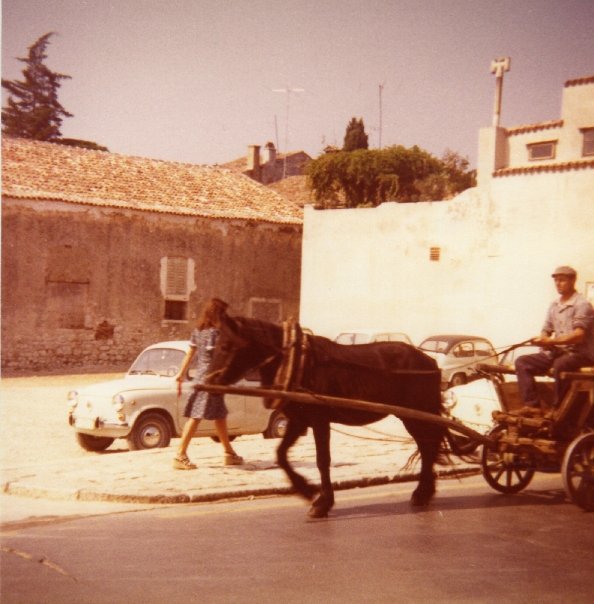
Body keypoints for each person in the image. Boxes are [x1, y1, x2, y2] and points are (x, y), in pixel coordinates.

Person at [173, 298, 243, 470]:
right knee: (196, 417)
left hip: (204, 378)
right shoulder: (217, 333)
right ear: (216, 314)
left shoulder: (198, 331)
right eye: (222, 313)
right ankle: (180, 455)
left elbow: (190, 353)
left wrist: (181, 373)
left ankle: (229, 453)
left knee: (219, 415)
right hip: (210, 379)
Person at [515, 265, 594, 415]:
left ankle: (558, 410)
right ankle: (532, 406)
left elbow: (578, 336)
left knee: (560, 365)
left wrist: (550, 342)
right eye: (556, 281)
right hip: (560, 352)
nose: (558, 284)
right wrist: (542, 339)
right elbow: (546, 328)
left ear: (572, 281)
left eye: (562, 280)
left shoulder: (582, 305)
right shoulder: (554, 305)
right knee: (522, 362)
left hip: (581, 354)